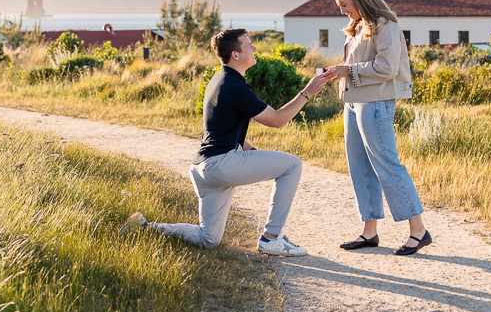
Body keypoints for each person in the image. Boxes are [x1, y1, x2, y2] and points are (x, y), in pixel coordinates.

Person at [122, 28, 333, 256]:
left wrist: (254, 154)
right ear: (235, 54)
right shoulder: (236, 87)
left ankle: (147, 227)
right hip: (221, 166)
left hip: (202, 169)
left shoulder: (218, 79)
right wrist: (307, 92)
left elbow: (222, 129)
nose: (254, 49)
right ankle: (271, 238)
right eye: (249, 45)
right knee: (292, 165)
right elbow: (277, 120)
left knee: (209, 238)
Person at [323, 0, 432, 256]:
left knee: (387, 164)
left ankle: (418, 231)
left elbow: (387, 67)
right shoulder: (359, 27)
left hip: (376, 104)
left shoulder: (387, 24)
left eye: (345, 4)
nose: (343, 11)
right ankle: (369, 232)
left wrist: (350, 71)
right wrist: (340, 71)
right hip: (354, 102)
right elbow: (360, 63)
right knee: (360, 166)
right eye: (340, 6)